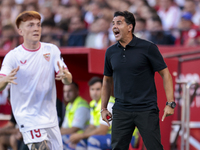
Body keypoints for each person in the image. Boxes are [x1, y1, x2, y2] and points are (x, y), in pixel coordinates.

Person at [101, 11, 175, 150]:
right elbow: (106, 81)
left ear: (130, 27)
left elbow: (166, 74)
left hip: (146, 109)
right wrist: (103, 108)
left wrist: (170, 103)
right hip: (121, 110)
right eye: (113, 24)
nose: (114, 27)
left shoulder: (148, 47)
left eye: (119, 23)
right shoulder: (110, 52)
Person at [0, 11, 72, 150]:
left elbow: (68, 80)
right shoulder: (13, 56)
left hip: (50, 117)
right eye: (30, 25)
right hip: (27, 116)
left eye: (38, 25)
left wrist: (66, 77)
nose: (36, 28)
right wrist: (5, 80)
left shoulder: (51, 50)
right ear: (20, 31)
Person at [68, 77, 115, 150]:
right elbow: (91, 126)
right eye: (92, 89)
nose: (94, 92)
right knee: (80, 141)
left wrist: (81, 136)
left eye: (98, 89)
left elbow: (103, 130)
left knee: (93, 140)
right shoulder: (93, 104)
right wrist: (80, 135)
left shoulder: (108, 104)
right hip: (107, 136)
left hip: (122, 137)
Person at [61, 82, 90, 150]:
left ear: (77, 91)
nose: (66, 94)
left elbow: (74, 129)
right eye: (65, 91)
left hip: (84, 137)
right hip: (73, 136)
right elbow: (64, 128)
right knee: (58, 141)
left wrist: (55, 134)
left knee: (62, 140)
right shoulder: (69, 106)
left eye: (70, 91)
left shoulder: (81, 106)